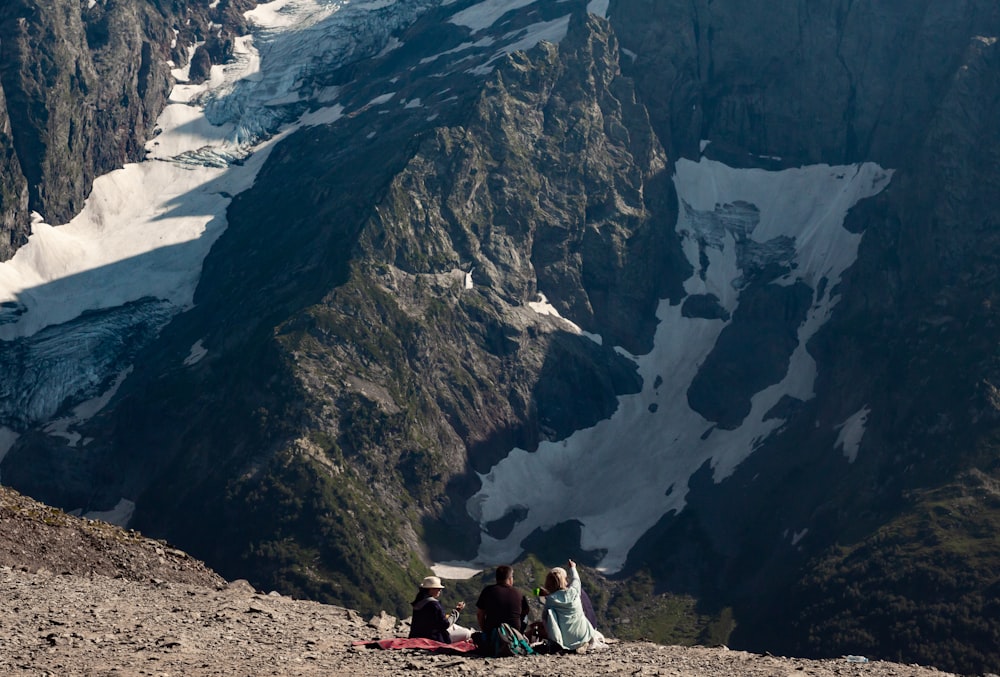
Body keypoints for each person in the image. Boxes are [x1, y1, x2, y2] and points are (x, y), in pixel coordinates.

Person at [542, 559, 608, 652]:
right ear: (564, 580)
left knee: (549, 613)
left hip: (565, 641)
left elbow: (545, 618)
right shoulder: (574, 591)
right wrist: (572, 568)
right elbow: (576, 579)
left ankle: (555, 642)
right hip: (584, 635)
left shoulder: (550, 600)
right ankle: (588, 641)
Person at [408, 575, 473, 643]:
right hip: (433, 638)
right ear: (430, 589)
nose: (440, 590)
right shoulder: (434, 604)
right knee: (467, 632)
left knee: (454, 626)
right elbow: (445, 624)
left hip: (417, 635)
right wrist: (457, 611)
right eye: (438, 588)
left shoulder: (419, 601)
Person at [475, 564, 530, 637]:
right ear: (510, 579)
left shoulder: (488, 590)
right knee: (525, 617)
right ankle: (520, 635)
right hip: (514, 635)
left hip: (492, 634)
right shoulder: (519, 594)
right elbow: (526, 611)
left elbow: (480, 614)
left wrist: (485, 631)